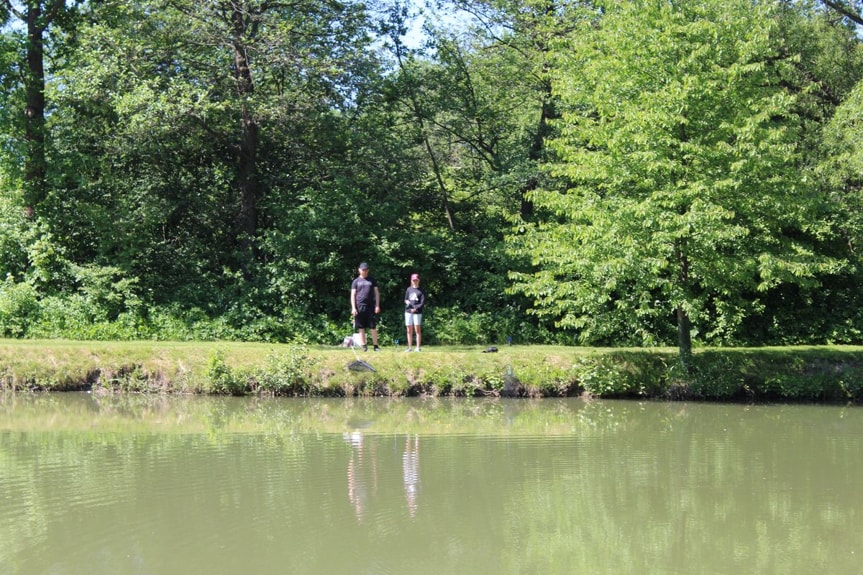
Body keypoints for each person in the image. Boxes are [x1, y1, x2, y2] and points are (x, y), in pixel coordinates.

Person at [350, 262, 380, 351]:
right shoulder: (356, 281)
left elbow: (377, 293)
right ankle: (364, 345)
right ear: (359, 270)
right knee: (361, 327)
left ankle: (376, 346)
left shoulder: (372, 280)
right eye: (363, 270)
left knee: (373, 326)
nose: (365, 271)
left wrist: (377, 305)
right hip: (359, 306)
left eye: (366, 270)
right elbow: (353, 295)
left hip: (370, 306)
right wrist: (353, 308)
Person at [403, 273, 425, 352]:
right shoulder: (409, 289)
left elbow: (422, 303)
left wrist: (415, 308)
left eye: (416, 280)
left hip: (417, 312)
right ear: (411, 280)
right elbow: (405, 299)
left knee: (417, 329)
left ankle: (418, 347)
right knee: (409, 329)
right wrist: (407, 302)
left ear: (419, 280)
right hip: (408, 312)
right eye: (413, 280)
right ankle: (409, 347)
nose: (415, 281)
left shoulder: (421, 291)